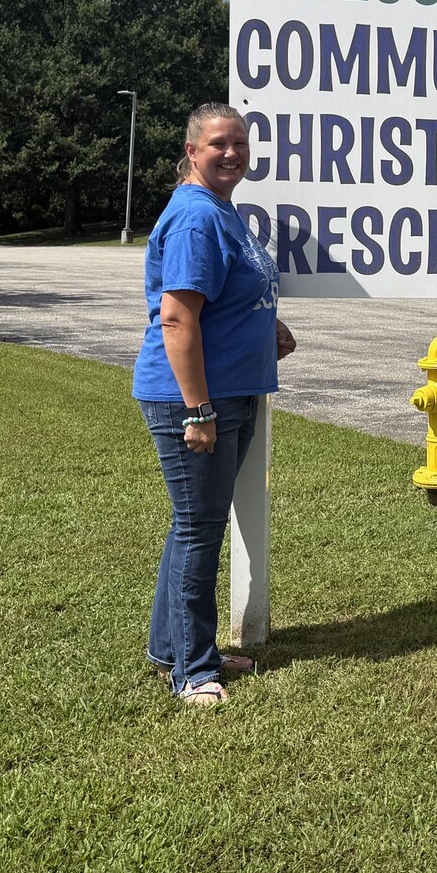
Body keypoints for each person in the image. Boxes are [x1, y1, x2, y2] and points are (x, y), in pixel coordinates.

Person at [134, 102, 296, 706]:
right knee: (201, 531)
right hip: (197, 401)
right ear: (192, 150)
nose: (232, 154)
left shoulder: (223, 212)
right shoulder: (198, 218)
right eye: (219, 144)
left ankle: (172, 648)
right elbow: (176, 318)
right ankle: (195, 671)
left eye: (241, 144)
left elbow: (223, 298)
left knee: (192, 526)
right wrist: (197, 409)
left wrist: (268, 327)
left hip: (231, 390)